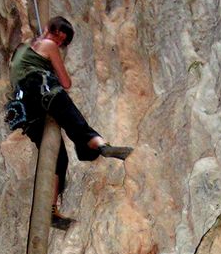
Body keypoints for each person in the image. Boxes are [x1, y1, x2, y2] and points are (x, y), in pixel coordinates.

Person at [8, 16, 132, 228]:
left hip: (24, 110)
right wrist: (53, 63)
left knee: (59, 159)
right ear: (52, 31)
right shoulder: (48, 45)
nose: (56, 43)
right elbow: (66, 82)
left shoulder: (22, 49)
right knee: (75, 123)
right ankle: (99, 145)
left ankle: (51, 212)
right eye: (59, 40)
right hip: (43, 91)